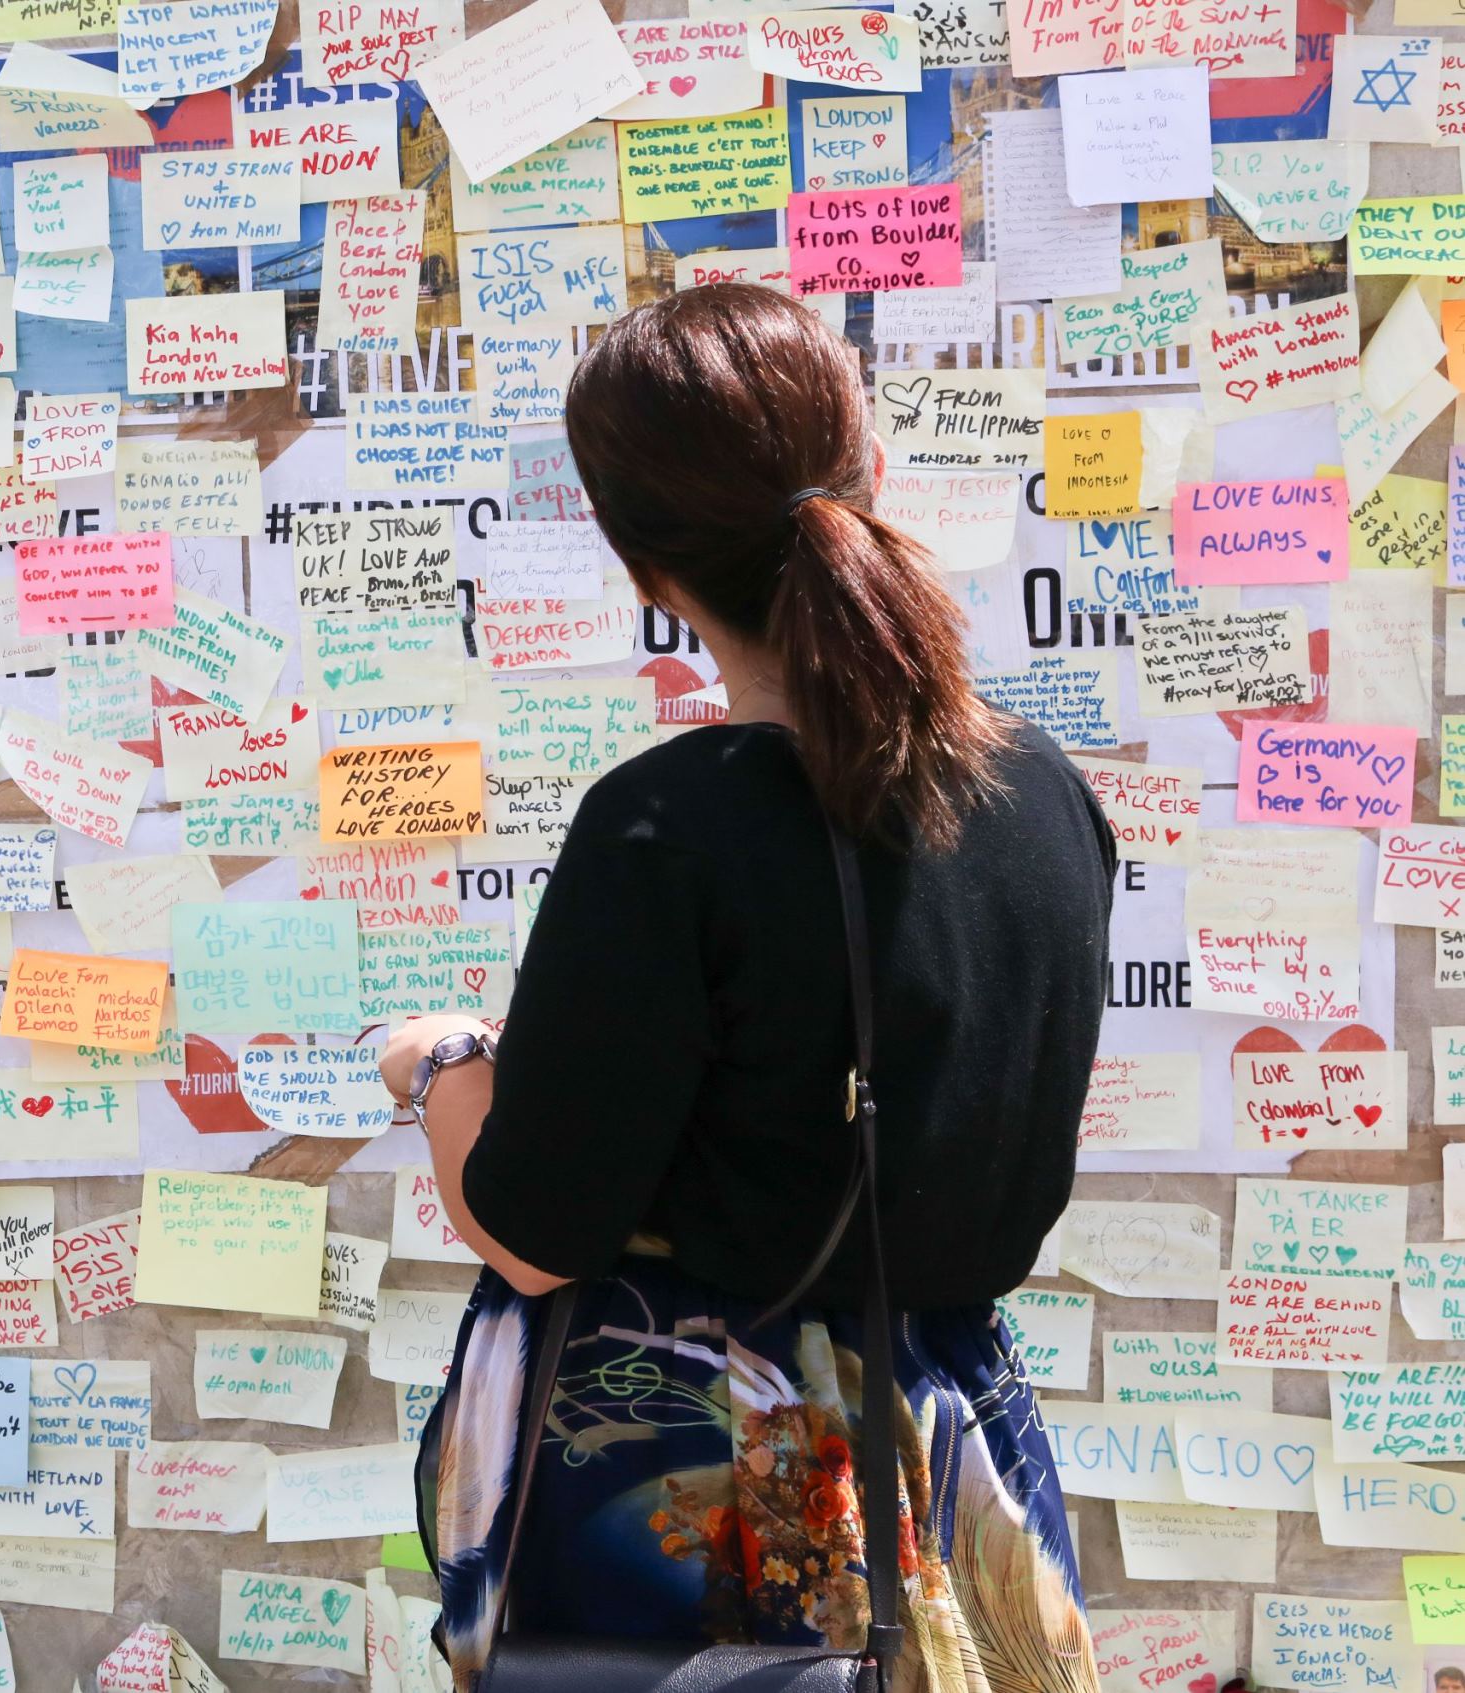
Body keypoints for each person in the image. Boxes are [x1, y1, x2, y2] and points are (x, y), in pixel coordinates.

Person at [381, 284, 1116, 1693]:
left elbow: (536, 1237)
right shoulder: (1044, 800)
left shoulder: (666, 828)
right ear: (869, 473)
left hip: (712, 1497)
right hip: (964, 1474)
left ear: (643, 565)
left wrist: (439, 1068)